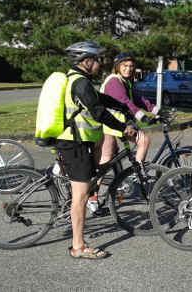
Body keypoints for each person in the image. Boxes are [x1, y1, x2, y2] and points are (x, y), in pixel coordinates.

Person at [57, 41, 137, 259]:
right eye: (97, 59)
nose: (100, 64)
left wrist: (121, 106)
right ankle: (78, 247)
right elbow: (98, 112)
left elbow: (99, 99)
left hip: (79, 142)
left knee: (85, 186)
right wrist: (123, 127)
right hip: (74, 144)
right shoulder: (80, 83)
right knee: (80, 197)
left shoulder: (80, 80)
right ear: (86, 61)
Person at [89, 52, 160, 212]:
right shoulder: (114, 81)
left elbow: (137, 99)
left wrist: (156, 110)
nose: (128, 69)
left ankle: (132, 176)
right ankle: (95, 197)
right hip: (110, 125)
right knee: (108, 159)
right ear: (117, 67)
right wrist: (143, 118)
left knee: (108, 159)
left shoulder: (124, 81)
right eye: (125, 66)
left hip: (118, 124)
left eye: (131, 66)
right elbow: (126, 102)